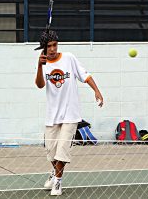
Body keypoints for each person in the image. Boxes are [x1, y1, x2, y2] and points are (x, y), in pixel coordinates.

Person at [35, 30, 103, 196]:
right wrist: (39, 65)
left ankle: (58, 182)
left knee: (63, 149)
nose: (52, 49)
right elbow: (39, 85)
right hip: (52, 115)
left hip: (70, 113)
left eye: (55, 45)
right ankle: (54, 172)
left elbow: (85, 76)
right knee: (51, 151)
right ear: (43, 48)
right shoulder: (43, 63)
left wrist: (97, 91)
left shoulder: (69, 58)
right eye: (49, 46)